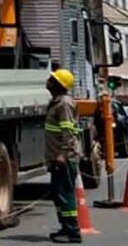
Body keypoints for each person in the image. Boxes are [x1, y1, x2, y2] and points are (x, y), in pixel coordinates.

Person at [45, 68, 82, 243]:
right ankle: (65, 228)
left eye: (52, 79)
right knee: (57, 193)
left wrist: (62, 154)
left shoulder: (64, 104)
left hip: (65, 157)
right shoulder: (56, 102)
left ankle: (73, 232)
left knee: (65, 193)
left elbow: (68, 132)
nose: (48, 81)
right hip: (57, 156)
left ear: (58, 85)